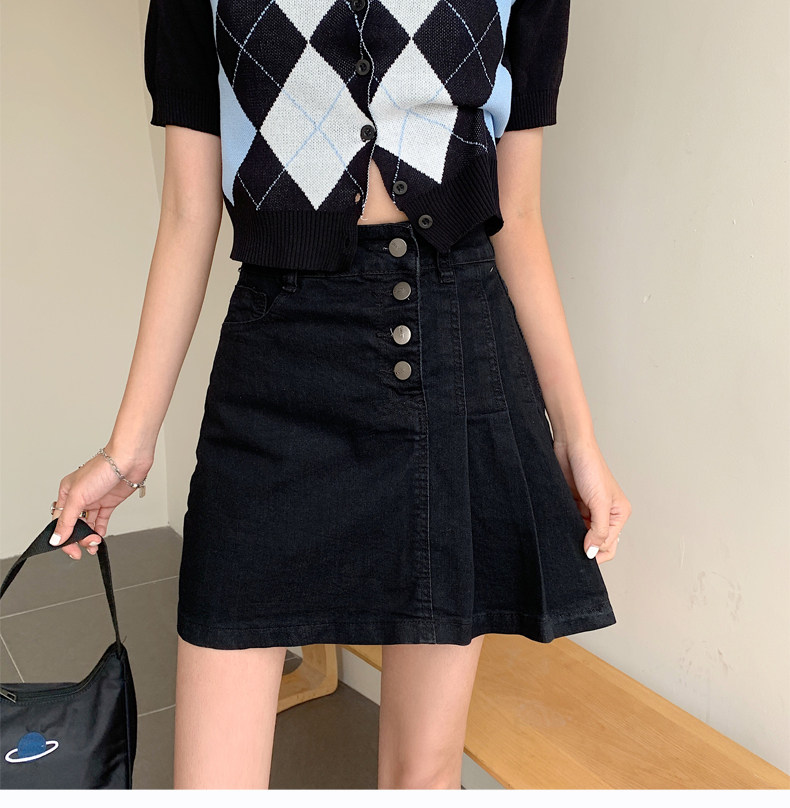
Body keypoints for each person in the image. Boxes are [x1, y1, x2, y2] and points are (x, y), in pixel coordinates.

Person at [48, 0, 631, 790]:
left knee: (423, 776)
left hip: (451, 350)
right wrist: (128, 448)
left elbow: (518, 212)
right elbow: (188, 211)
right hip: (278, 359)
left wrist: (576, 435)